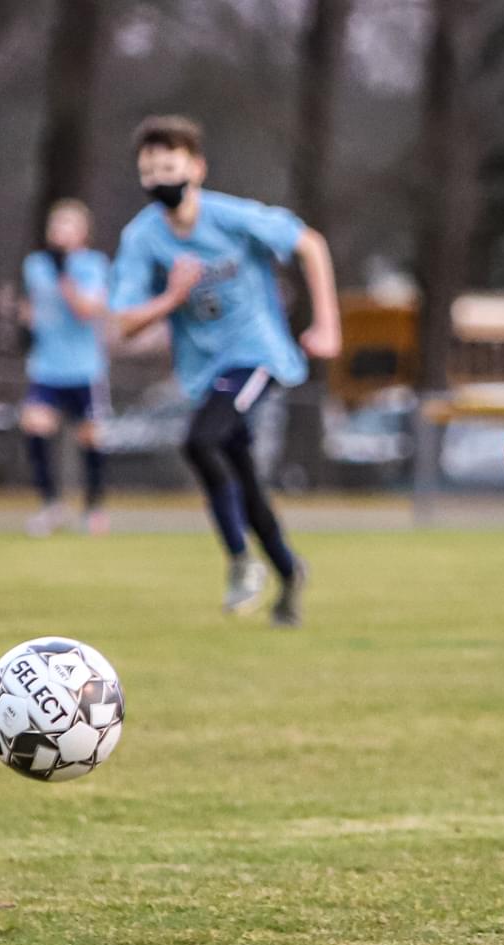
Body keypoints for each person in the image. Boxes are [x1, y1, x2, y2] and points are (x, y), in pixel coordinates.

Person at [109, 116, 341, 627]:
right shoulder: (142, 238)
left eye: (168, 167)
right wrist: (171, 296)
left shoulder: (232, 217)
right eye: (148, 171)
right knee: (238, 471)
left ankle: (240, 562)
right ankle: (287, 570)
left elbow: (311, 244)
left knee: (200, 441)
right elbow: (123, 323)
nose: (158, 179)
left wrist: (327, 325)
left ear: (196, 168)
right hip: (205, 373)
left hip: (258, 356)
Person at [19, 199, 112, 537]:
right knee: (35, 427)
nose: (59, 232)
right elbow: (31, 306)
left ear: (83, 232)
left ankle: (94, 508)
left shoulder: (93, 265)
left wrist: (64, 276)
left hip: (84, 368)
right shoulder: (34, 265)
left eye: (67, 225)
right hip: (46, 366)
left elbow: (87, 311)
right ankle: (51, 505)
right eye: (55, 225)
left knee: (89, 438)